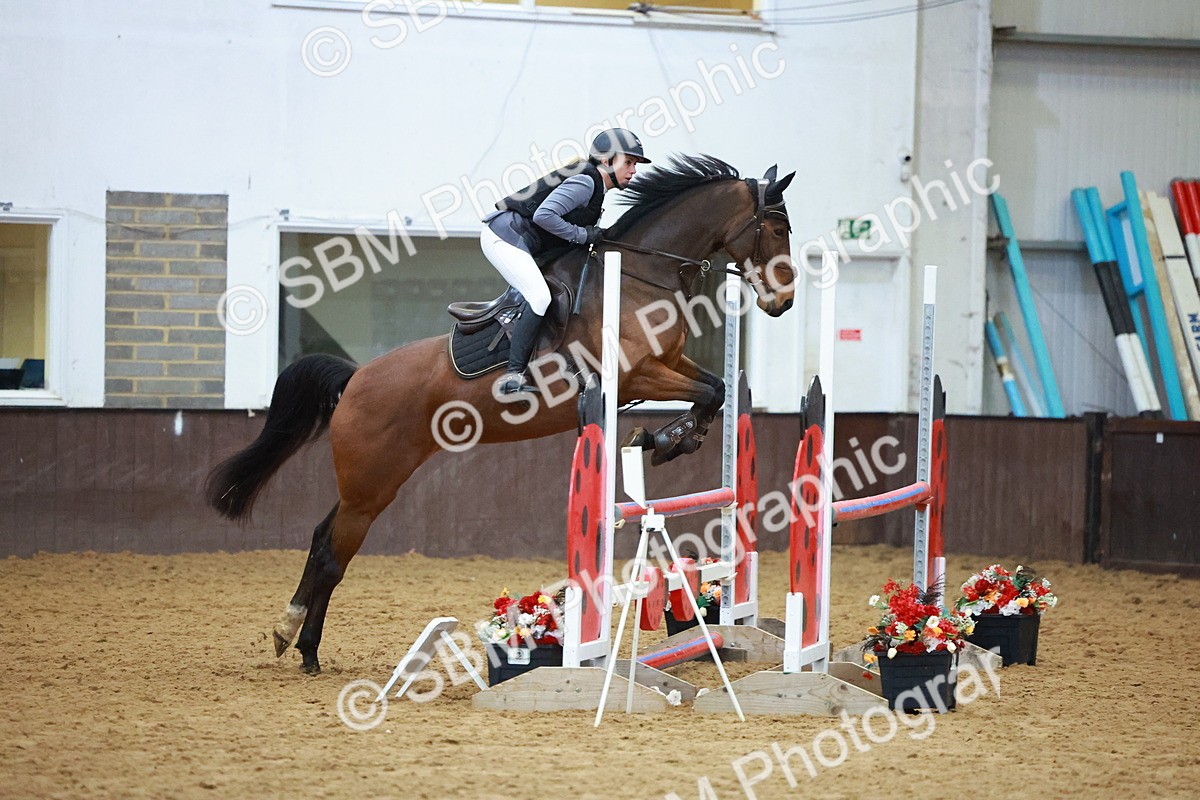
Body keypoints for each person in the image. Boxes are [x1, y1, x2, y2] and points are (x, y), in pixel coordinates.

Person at [481, 128, 651, 394]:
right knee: (539, 297)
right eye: (628, 162)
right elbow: (544, 216)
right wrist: (582, 235)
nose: (633, 170)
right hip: (504, 236)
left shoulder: (596, 186)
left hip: (523, 240)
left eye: (634, 164)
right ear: (606, 161)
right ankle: (511, 377)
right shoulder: (586, 182)